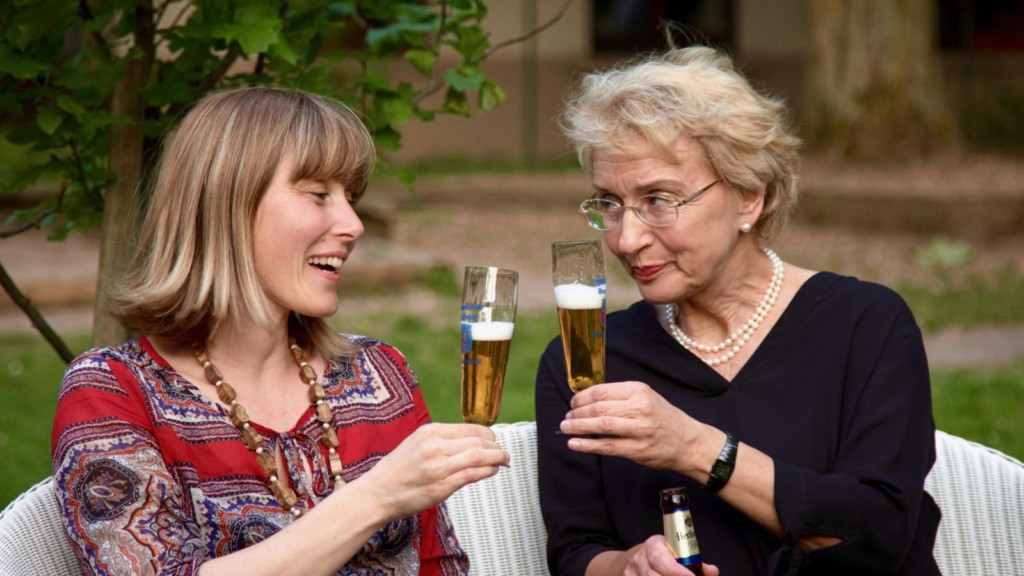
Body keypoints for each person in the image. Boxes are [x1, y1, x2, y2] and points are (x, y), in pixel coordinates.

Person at [51, 86, 509, 575]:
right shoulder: (114, 391)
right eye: (318, 195)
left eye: (351, 199)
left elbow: (440, 565)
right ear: (228, 203)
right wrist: (376, 497)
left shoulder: (379, 375)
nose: (353, 223)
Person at [536, 45, 941, 575]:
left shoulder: (865, 325)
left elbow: (880, 534)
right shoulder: (588, 358)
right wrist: (628, 566)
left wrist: (696, 448)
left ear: (750, 196)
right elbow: (575, 551)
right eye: (609, 204)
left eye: (659, 200)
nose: (627, 239)